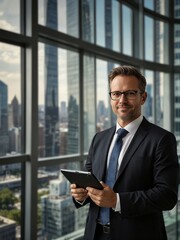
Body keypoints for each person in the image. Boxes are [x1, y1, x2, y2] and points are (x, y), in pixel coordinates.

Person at [70, 65, 179, 240]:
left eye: (130, 93)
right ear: (111, 98)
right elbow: (91, 183)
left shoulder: (161, 139)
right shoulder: (99, 138)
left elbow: (167, 196)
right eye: (116, 94)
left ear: (143, 97)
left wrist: (116, 201)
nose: (122, 100)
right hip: (94, 234)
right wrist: (80, 195)